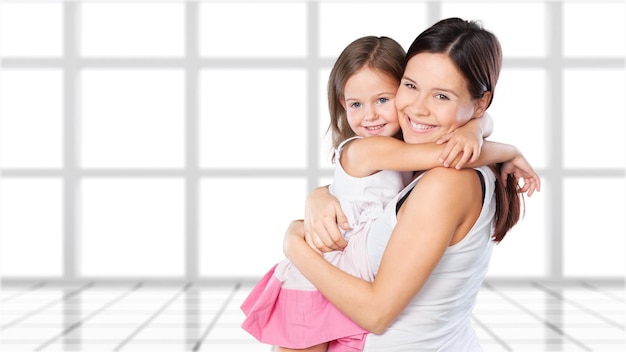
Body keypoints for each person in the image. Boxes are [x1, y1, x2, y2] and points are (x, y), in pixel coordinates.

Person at [242, 33, 538, 352]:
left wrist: (294, 244)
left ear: (480, 101)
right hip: (322, 276)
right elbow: (446, 154)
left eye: (441, 96)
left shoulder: (445, 180)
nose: (418, 108)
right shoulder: (378, 152)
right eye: (411, 87)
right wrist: (497, 142)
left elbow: (449, 154)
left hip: (328, 271)